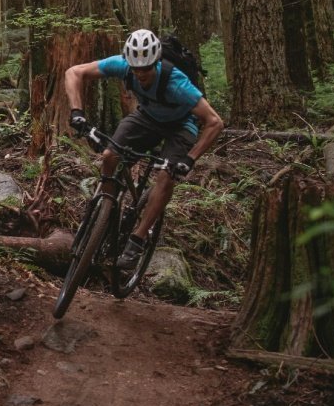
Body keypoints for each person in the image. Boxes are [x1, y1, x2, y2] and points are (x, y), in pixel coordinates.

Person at [65, 29, 224, 269]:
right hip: (147, 117)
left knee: (166, 176)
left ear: (156, 62)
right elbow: (74, 72)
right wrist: (77, 111)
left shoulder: (177, 83)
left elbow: (215, 122)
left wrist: (190, 159)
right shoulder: (123, 66)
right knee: (109, 155)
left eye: (146, 69)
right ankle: (106, 209)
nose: (140, 74)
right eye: (136, 69)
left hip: (181, 125)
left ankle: (137, 241)